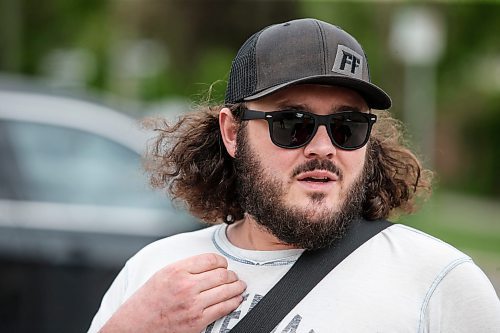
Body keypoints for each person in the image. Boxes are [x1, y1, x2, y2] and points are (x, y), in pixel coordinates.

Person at [88, 18, 500, 333]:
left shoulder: (440, 282)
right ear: (232, 132)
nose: (323, 146)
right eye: (292, 122)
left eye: (347, 126)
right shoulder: (156, 272)